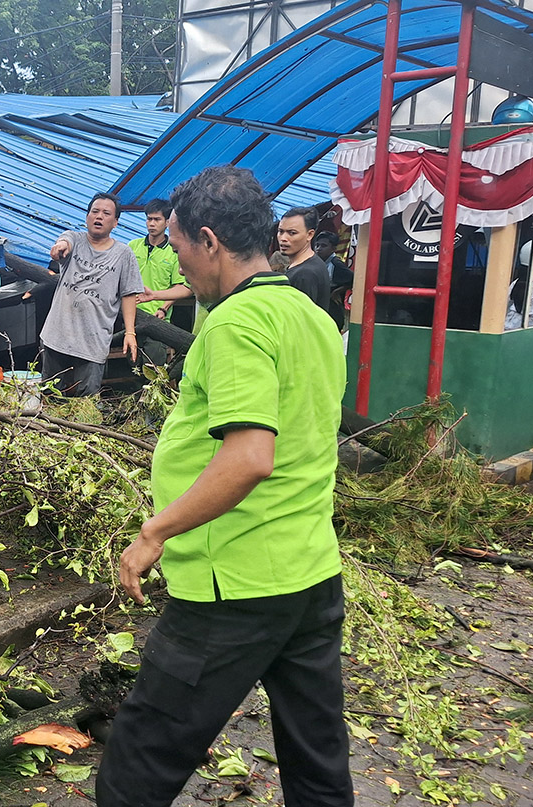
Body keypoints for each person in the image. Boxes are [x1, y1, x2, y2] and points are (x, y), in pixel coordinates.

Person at [96, 165, 351, 807]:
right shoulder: (309, 315)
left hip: (232, 584)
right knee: (316, 757)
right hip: (309, 572)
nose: (180, 269)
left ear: (209, 241)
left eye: (180, 250)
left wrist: (154, 531)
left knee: (137, 764)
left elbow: (249, 458)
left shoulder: (238, 323)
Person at [39, 193, 144, 396]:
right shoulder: (75, 240)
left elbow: (129, 294)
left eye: (106, 213)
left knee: (85, 405)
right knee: (51, 398)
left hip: (93, 342)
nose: (99, 216)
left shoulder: (124, 254)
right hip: (56, 337)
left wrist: (130, 332)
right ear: (87, 216)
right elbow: (64, 241)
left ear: (115, 222)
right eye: (95, 211)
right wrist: (60, 247)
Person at [128, 199, 197, 376]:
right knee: (132, 367)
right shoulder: (132, 246)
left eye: (157, 219)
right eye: (148, 219)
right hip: (129, 316)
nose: (151, 224)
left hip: (157, 318)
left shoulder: (173, 252)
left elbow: (182, 286)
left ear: (167, 222)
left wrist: (163, 307)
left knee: (153, 369)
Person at [277, 206, 330, 310]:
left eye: (292, 233)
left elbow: (299, 319)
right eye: (280, 231)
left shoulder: (305, 274)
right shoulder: (312, 264)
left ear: (310, 234)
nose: (283, 238)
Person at [314, 230, 353, 327]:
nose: (318, 249)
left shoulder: (336, 264)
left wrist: (337, 292)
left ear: (333, 249)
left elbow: (353, 279)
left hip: (331, 304)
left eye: (323, 246)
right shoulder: (317, 262)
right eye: (317, 245)